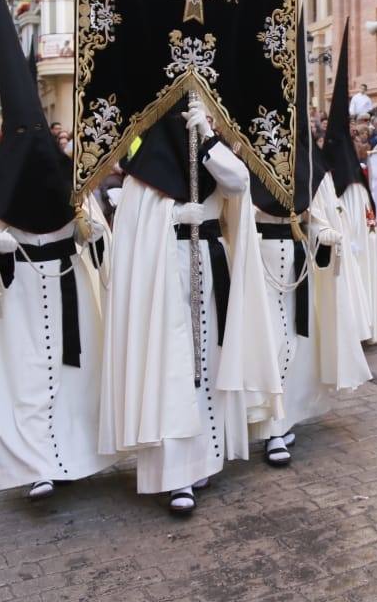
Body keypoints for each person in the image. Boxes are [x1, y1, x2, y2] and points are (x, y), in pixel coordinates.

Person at [0, 0, 117, 499]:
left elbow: (93, 230)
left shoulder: (65, 171)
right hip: (21, 296)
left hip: (70, 286)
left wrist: (94, 235)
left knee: (76, 378)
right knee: (27, 379)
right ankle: (34, 468)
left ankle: (79, 459)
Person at [102, 93, 282, 515]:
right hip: (167, 273)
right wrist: (171, 219)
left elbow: (238, 181)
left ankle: (205, 457)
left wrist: (206, 139)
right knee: (173, 367)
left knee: (211, 361)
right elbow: (135, 231)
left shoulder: (208, 151)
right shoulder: (142, 174)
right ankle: (175, 474)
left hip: (212, 263)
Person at [251, 23, 371, 467]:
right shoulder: (243, 158)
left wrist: (324, 236)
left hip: (296, 264)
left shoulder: (308, 163)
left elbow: (317, 215)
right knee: (263, 344)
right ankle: (262, 421)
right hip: (255, 265)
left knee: (292, 344)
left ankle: (281, 423)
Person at [320, 22, 377, 343]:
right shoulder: (346, 178)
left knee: (365, 276)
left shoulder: (351, 176)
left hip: (363, 240)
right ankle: (362, 327)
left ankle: (366, 327)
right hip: (357, 241)